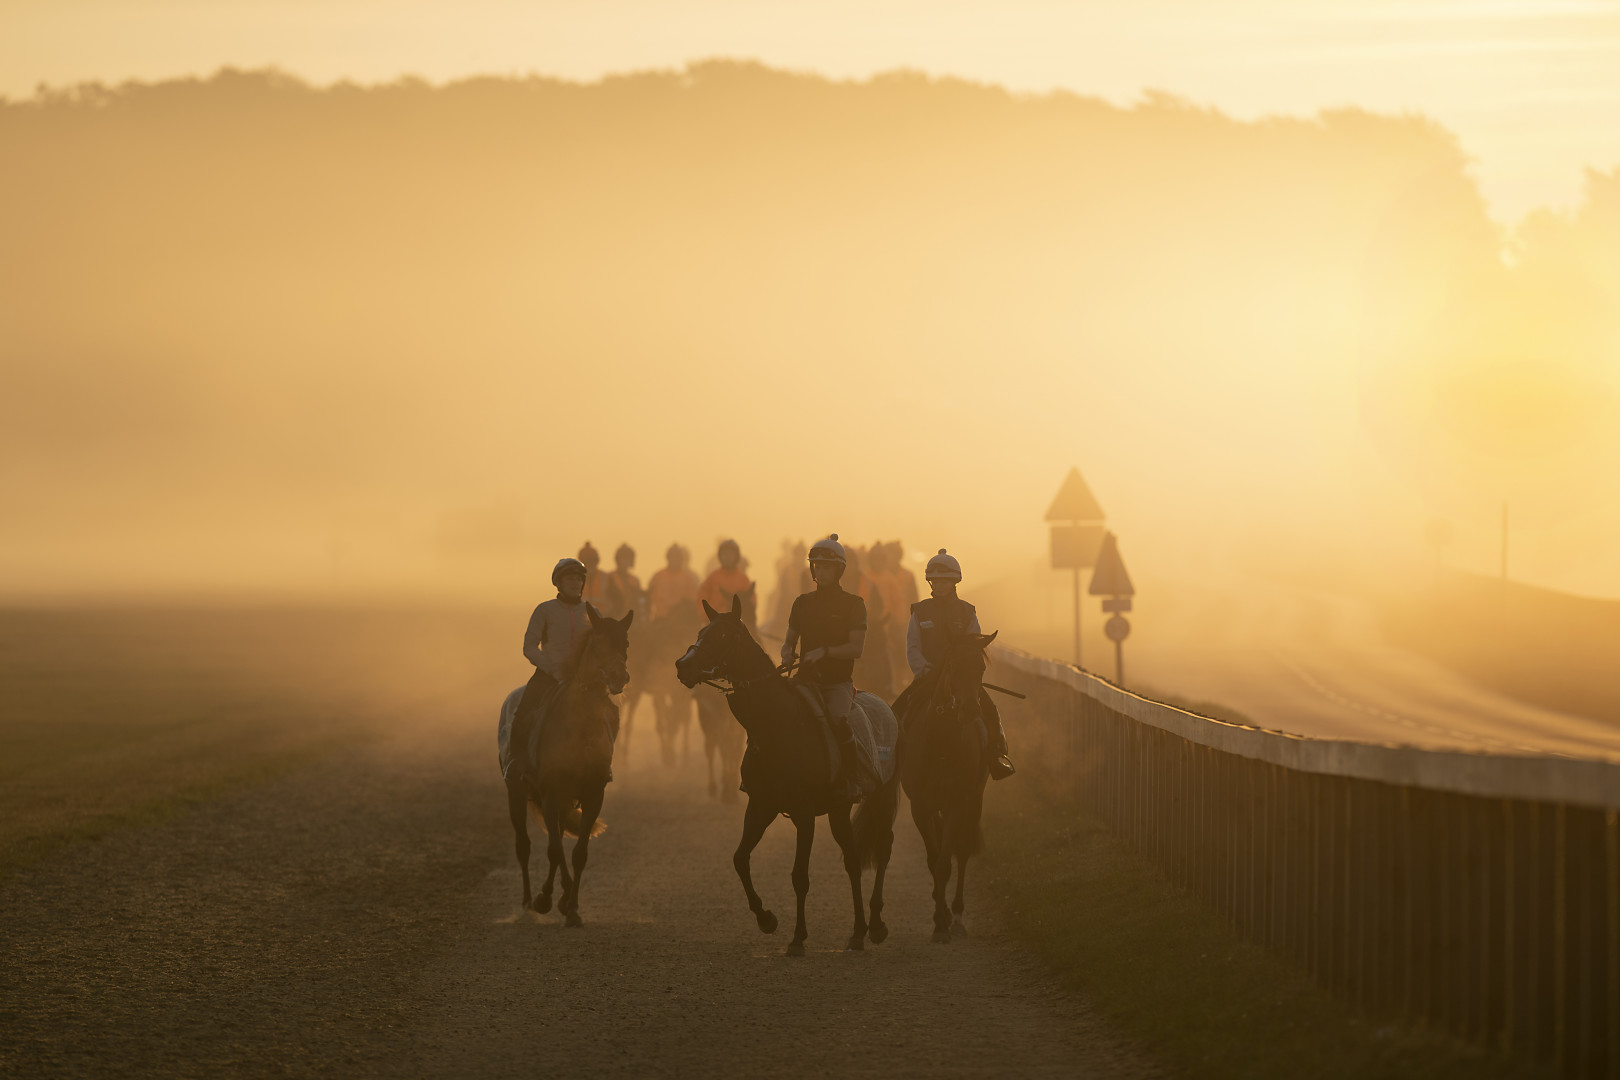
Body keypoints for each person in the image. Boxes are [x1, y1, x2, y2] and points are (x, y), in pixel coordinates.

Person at [905, 549, 1015, 780]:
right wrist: (924, 670)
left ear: (954, 581)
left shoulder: (967, 611)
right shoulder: (919, 610)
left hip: (962, 680)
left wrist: (962, 674)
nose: (939, 585)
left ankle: (996, 756)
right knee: (899, 712)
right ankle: (893, 760)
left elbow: (973, 646)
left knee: (990, 711)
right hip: (927, 678)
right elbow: (913, 646)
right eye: (935, 580)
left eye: (944, 580)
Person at [780, 535, 866, 798]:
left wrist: (825, 651)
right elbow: (788, 643)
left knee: (839, 722)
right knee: (775, 713)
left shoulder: (854, 604)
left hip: (836, 683)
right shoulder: (801, 603)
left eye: (826, 566)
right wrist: (786, 654)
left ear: (839, 570)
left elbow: (856, 649)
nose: (821, 571)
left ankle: (851, 780)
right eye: (817, 566)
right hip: (804, 680)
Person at [506, 557, 598, 782]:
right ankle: (515, 764)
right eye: (569, 578)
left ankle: (603, 764)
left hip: (583, 679)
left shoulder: (592, 612)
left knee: (605, 715)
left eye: (578, 578)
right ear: (558, 582)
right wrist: (551, 667)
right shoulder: (545, 610)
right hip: (549, 675)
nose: (575, 583)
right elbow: (529, 647)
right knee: (523, 713)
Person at [698, 538, 756, 630]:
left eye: (730, 554)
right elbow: (701, 601)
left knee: (759, 643)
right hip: (714, 624)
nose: (727, 557)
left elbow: (752, 601)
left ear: (736, 557)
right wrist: (707, 617)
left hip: (738, 626)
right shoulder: (712, 577)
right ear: (720, 556)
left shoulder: (743, 579)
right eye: (724, 554)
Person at [647, 543, 700, 622]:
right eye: (672, 557)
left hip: (681, 621)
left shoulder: (689, 578)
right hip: (661, 619)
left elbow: (694, 600)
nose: (674, 560)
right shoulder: (658, 577)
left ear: (681, 559)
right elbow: (648, 598)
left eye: (677, 558)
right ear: (668, 558)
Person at [603, 543, 644, 622]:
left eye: (628, 558)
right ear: (617, 560)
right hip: (613, 617)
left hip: (631, 620)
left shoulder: (635, 580)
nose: (625, 561)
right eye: (623, 558)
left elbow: (638, 604)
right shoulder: (609, 577)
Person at [578, 541, 610, 610]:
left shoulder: (606, 578)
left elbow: (617, 601)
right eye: (587, 562)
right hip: (580, 619)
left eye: (592, 561)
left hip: (602, 618)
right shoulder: (576, 578)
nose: (589, 564)